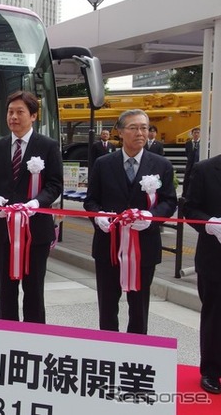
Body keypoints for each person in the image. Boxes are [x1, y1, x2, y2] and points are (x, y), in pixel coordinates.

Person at [83, 109, 177, 334]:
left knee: (139, 305)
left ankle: (137, 351)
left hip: (144, 245)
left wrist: (151, 217)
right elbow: (91, 201)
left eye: (144, 128)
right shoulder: (103, 164)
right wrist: (99, 217)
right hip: (109, 245)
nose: (140, 133)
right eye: (133, 128)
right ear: (120, 132)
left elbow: (169, 202)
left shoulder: (162, 165)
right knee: (107, 304)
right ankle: (108, 348)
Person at [0, 90, 63, 323]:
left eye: (20, 112)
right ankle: (6, 336)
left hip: (36, 231)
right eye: (10, 112)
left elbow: (55, 184)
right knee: (6, 289)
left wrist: (37, 202)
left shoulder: (47, 146)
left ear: (34, 116)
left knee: (34, 289)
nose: (13, 117)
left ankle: (34, 336)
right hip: (3, 230)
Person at [183, 153, 221, 394]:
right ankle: (211, 371)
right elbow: (189, 209)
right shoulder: (205, 169)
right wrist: (210, 223)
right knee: (215, 317)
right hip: (215, 258)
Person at [182, 127, 200, 198]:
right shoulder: (188, 143)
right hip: (189, 165)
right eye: (195, 133)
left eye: (198, 133)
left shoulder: (202, 143)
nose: (196, 134)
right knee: (187, 181)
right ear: (192, 134)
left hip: (198, 164)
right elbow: (187, 153)